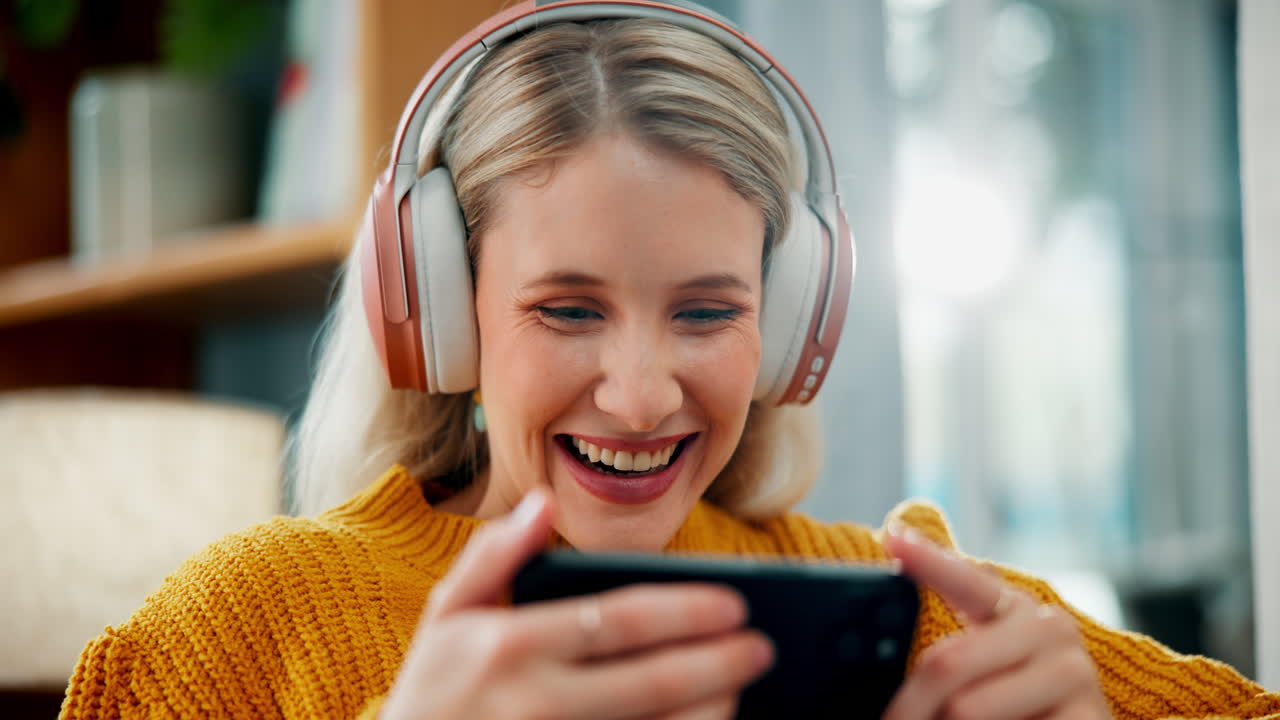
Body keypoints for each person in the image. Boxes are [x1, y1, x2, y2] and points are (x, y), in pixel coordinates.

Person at [60, 3, 1277, 719]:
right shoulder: (246, 628)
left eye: (705, 313)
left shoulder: (908, 617)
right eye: (567, 311)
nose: (641, 396)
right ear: (438, 312)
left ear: (789, 325)